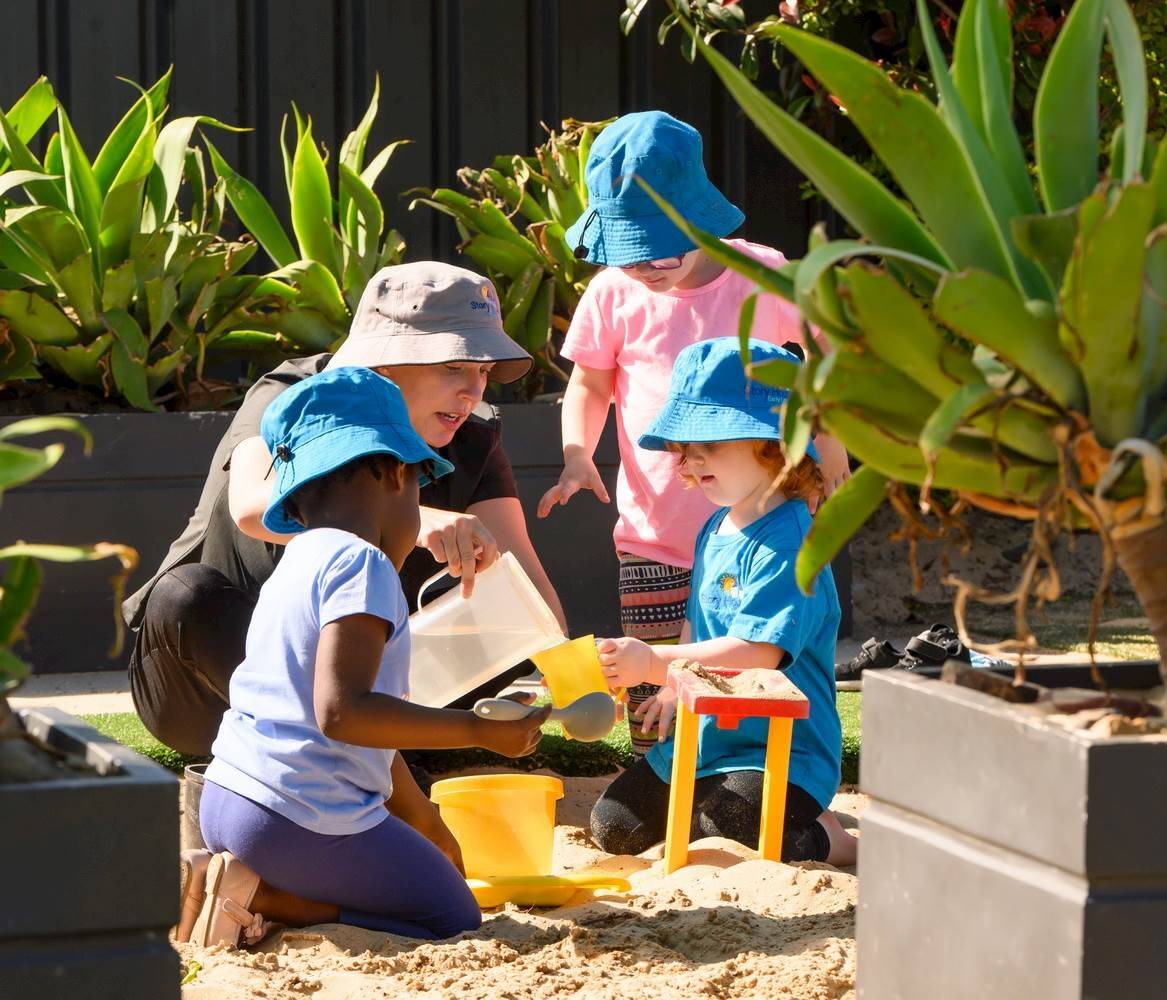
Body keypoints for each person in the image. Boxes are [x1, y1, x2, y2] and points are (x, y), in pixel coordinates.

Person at [124, 261, 566, 756]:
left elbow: (523, 577)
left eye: (483, 370)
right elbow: (252, 507)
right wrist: (422, 521)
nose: (474, 389)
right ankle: (368, 750)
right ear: (383, 363)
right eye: (453, 366)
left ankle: (379, 745)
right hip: (212, 680)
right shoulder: (290, 396)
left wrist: (574, 674)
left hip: (358, 682)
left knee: (503, 622)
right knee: (185, 595)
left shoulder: (474, 431)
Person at [181, 367, 552, 948]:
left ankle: (238, 881)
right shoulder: (364, 564)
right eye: (417, 491)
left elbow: (358, 732)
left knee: (421, 882)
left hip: (230, 795)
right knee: (450, 915)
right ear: (393, 471)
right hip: (295, 818)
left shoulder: (300, 559)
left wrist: (424, 820)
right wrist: (479, 731)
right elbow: (345, 712)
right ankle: (259, 897)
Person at [537, 110, 848, 758]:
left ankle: (775, 798)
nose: (643, 264)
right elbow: (590, 386)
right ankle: (666, 799)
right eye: (626, 250)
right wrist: (575, 455)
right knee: (658, 711)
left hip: (760, 529)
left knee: (752, 694)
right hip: (656, 537)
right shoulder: (612, 294)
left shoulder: (765, 277)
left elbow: (820, 375)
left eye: (656, 244)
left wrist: (834, 450)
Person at [587, 339, 855, 867]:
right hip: (709, 739)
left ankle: (830, 837)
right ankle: (741, 816)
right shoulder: (716, 525)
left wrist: (658, 661)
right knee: (612, 826)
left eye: (710, 438)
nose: (690, 458)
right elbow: (697, 620)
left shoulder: (792, 543)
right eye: (684, 444)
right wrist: (672, 685)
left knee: (727, 826)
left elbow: (759, 652)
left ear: (777, 444)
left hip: (784, 749)